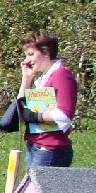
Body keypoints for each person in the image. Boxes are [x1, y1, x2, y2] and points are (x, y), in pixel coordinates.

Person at [16, 30, 77, 168]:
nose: (26, 61)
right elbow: (19, 105)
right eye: (26, 55)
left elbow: (64, 115)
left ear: (46, 52)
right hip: (36, 145)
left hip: (50, 150)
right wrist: (27, 78)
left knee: (39, 190)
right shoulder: (44, 78)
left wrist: (35, 116)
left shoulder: (61, 75)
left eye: (31, 54)